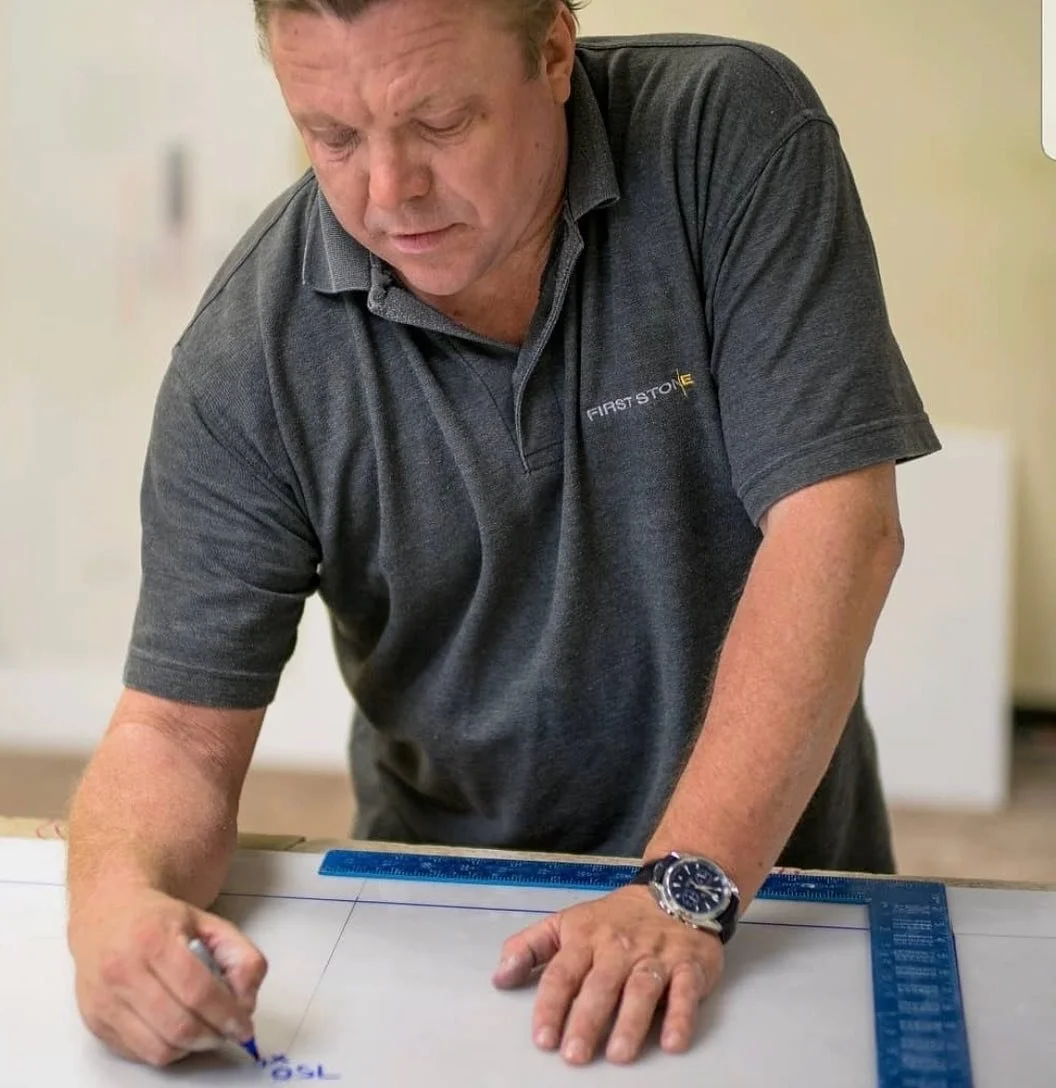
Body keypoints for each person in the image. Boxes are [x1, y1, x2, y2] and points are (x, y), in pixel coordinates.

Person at [65, 0, 941, 1071]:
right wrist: (114, 907)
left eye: (438, 122)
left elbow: (838, 530)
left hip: (762, 888)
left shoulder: (730, 130)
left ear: (555, 49)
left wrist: (684, 885)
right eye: (331, 136)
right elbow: (175, 735)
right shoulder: (250, 356)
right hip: (453, 918)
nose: (388, 193)